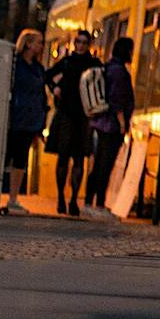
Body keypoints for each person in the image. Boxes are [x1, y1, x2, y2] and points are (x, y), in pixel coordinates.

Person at [43, 30, 102, 216]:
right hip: (66, 113)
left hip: (83, 116)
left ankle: (74, 199)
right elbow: (48, 75)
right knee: (63, 157)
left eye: (85, 42)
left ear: (89, 44)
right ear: (75, 43)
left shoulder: (94, 64)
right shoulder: (67, 62)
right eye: (79, 42)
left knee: (79, 159)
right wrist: (55, 88)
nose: (81, 45)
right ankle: (61, 197)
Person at [85, 37, 135, 217]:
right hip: (111, 126)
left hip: (100, 123)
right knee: (104, 166)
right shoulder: (120, 72)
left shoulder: (107, 67)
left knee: (97, 164)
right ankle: (98, 204)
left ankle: (88, 202)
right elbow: (117, 101)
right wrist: (122, 123)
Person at [4, 29, 47, 214]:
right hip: (15, 117)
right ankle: (0, 194)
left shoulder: (38, 68)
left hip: (30, 119)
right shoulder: (16, 65)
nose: (41, 46)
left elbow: (41, 95)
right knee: (8, 155)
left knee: (21, 158)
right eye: (39, 42)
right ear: (28, 44)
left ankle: (13, 198)